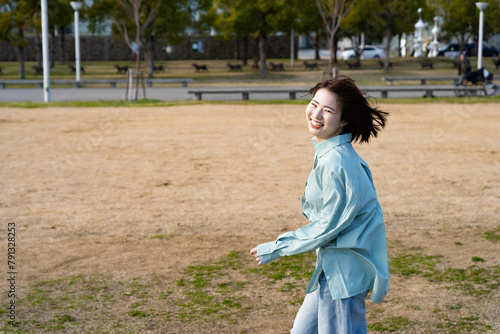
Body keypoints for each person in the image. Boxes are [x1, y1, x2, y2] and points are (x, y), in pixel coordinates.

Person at [250, 75, 390, 334]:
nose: (316, 114)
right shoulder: (331, 153)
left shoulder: (337, 162)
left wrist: (277, 247)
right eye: (314, 104)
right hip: (331, 266)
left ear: (344, 120)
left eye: (328, 110)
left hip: (344, 273)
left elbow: (328, 225)